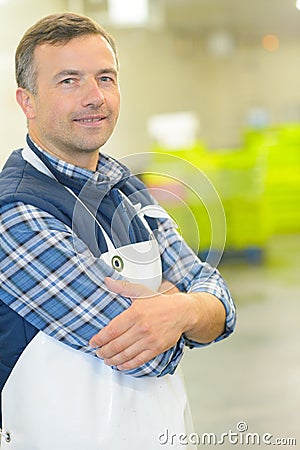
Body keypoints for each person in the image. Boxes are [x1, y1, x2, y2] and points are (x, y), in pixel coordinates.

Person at [0, 12, 236, 450]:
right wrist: (185, 307)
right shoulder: (15, 212)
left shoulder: (126, 186)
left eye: (105, 78)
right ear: (27, 101)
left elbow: (219, 304)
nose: (95, 97)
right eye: (69, 81)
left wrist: (180, 311)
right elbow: (148, 354)